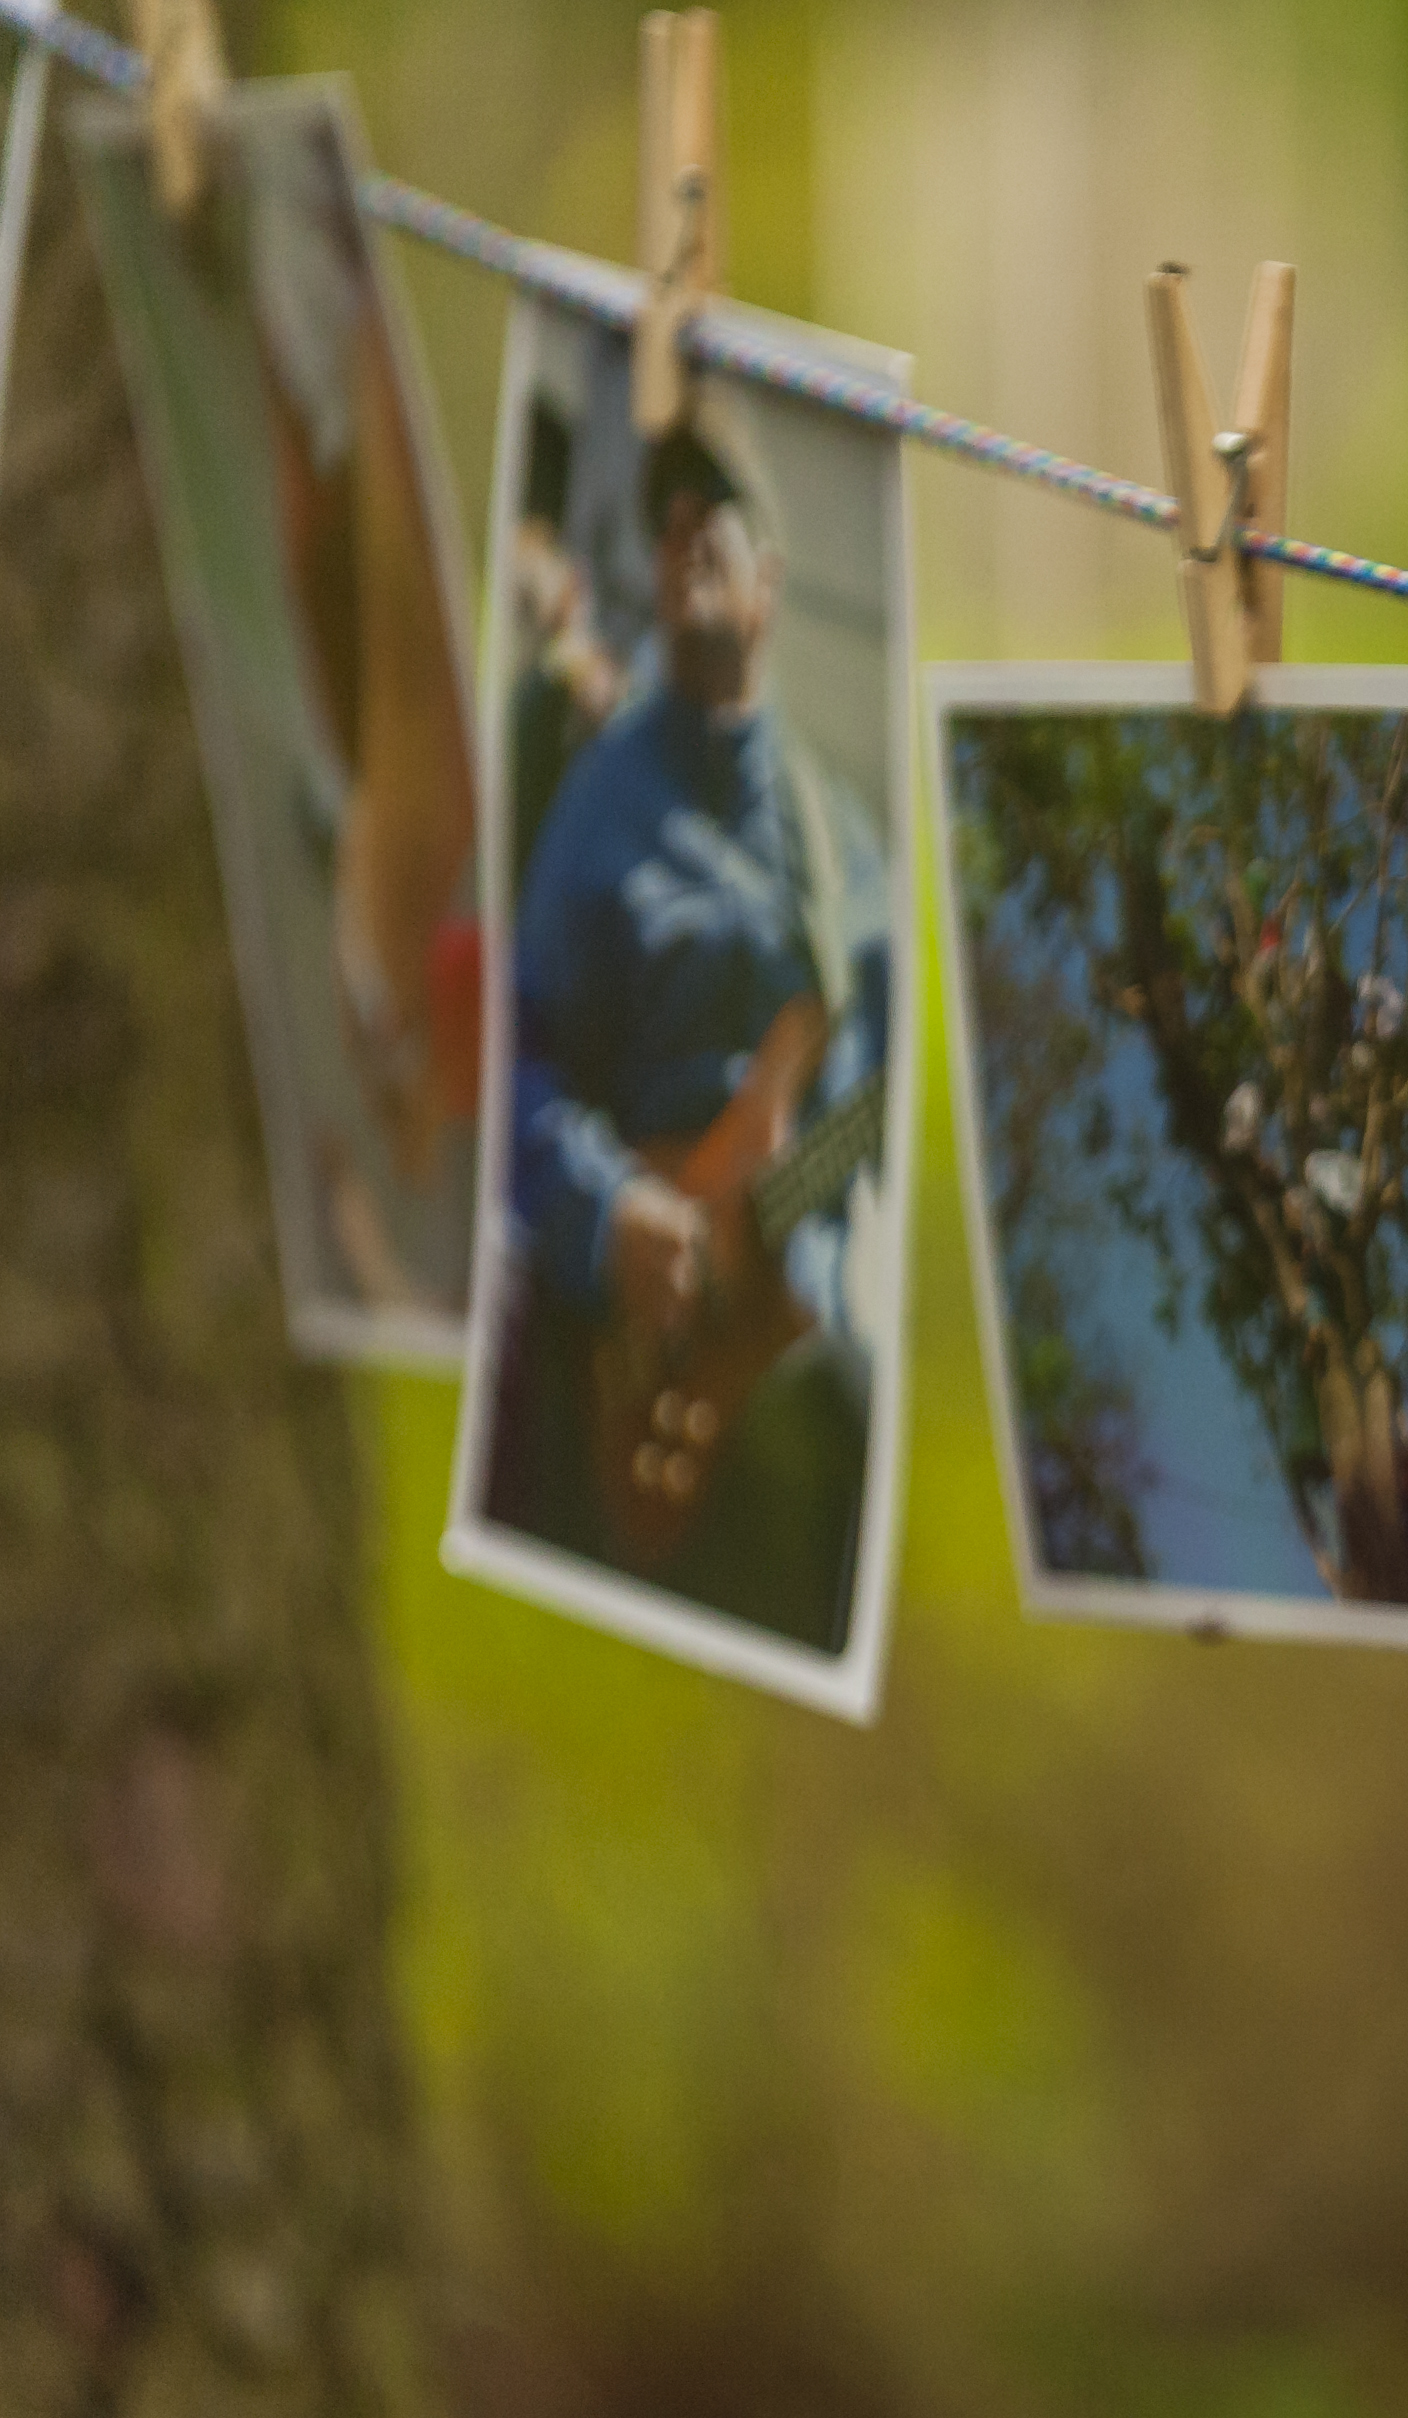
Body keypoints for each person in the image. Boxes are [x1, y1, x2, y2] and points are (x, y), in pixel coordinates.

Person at [490, 394, 890, 1652]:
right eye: (666, 518)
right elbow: (520, 1060)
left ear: (771, 580)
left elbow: (866, 1119)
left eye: (716, 508)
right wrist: (605, 1211)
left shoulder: (850, 851)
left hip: (782, 1360)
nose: (686, 532)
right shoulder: (598, 800)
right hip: (604, 1325)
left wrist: (791, 1261)